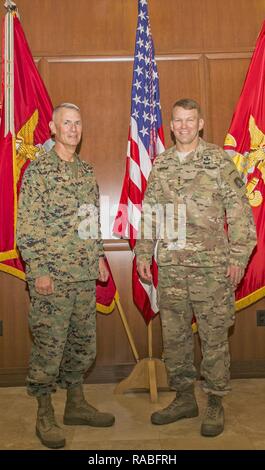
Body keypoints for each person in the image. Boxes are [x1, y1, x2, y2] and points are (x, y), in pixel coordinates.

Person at [135, 98, 256, 437]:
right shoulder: (162, 164)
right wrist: (143, 252)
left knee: (214, 337)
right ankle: (184, 398)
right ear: (171, 126)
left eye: (191, 120)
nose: (185, 126)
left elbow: (240, 213)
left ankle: (215, 402)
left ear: (201, 123)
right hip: (172, 268)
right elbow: (150, 211)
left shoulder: (219, 160)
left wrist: (237, 258)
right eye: (178, 121)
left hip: (211, 269)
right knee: (173, 338)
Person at [16, 103, 115, 449]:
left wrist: (99, 256)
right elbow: (26, 225)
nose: (73, 129)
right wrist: (39, 271)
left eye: (77, 123)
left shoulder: (86, 172)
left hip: (84, 275)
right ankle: (44, 413)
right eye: (66, 123)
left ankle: (76, 405)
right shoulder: (38, 169)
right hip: (52, 278)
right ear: (53, 128)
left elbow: (90, 221)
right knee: (48, 347)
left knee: (83, 346)